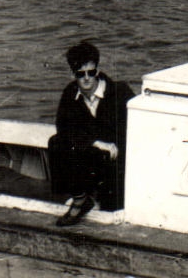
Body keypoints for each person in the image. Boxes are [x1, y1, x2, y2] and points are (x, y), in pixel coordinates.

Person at [49, 41, 135, 225]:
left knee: (113, 210)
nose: (87, 78)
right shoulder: (70, 94)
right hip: (93, 156)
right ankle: (81, 198)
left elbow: (138, 127)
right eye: (80, 74)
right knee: (56, 142)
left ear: (97, 70)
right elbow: (63, 129)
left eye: (91, 72)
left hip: (119, 161)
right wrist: (95, 142)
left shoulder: (120, 92)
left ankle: (100, 197)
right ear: (73, 74)